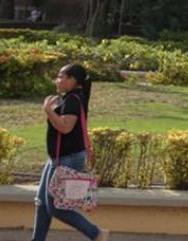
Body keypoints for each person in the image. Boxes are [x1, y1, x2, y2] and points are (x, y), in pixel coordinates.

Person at [32, 64, 108, 241]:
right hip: (57, 158)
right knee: (41, 203)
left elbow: (66, 127)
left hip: (66, 159)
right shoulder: (72, 98)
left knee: (57, 207)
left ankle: (96, 233)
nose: (57, 80)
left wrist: (48, 111)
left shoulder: (73, 99)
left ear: (73, 80)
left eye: (61, 76)